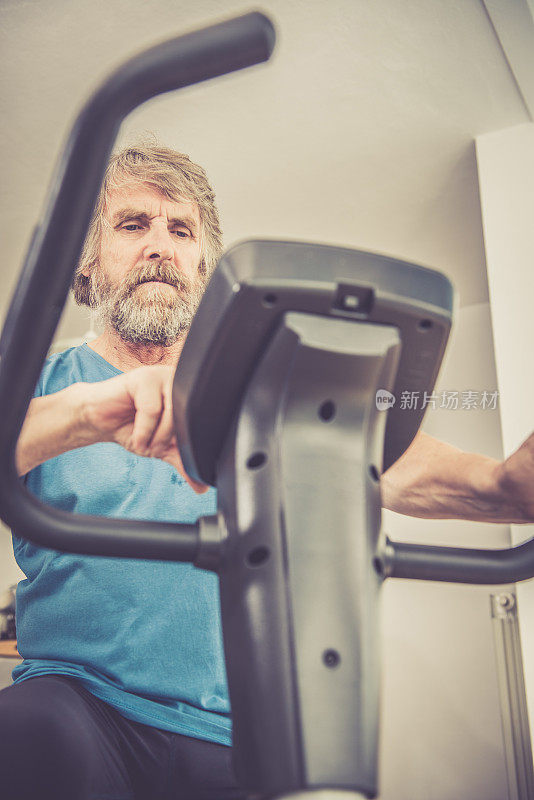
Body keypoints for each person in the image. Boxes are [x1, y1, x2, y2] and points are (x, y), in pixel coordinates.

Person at [0, 142, 532, 800]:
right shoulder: (40, 382)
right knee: (25, 737)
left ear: (205, 267)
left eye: (181, 230)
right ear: (86, 266)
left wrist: (503, 484)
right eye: (133, 225)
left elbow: (385, 460)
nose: (160, 246)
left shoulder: (258, 395)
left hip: (233, 733)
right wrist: (89, 412)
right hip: (78, 709)